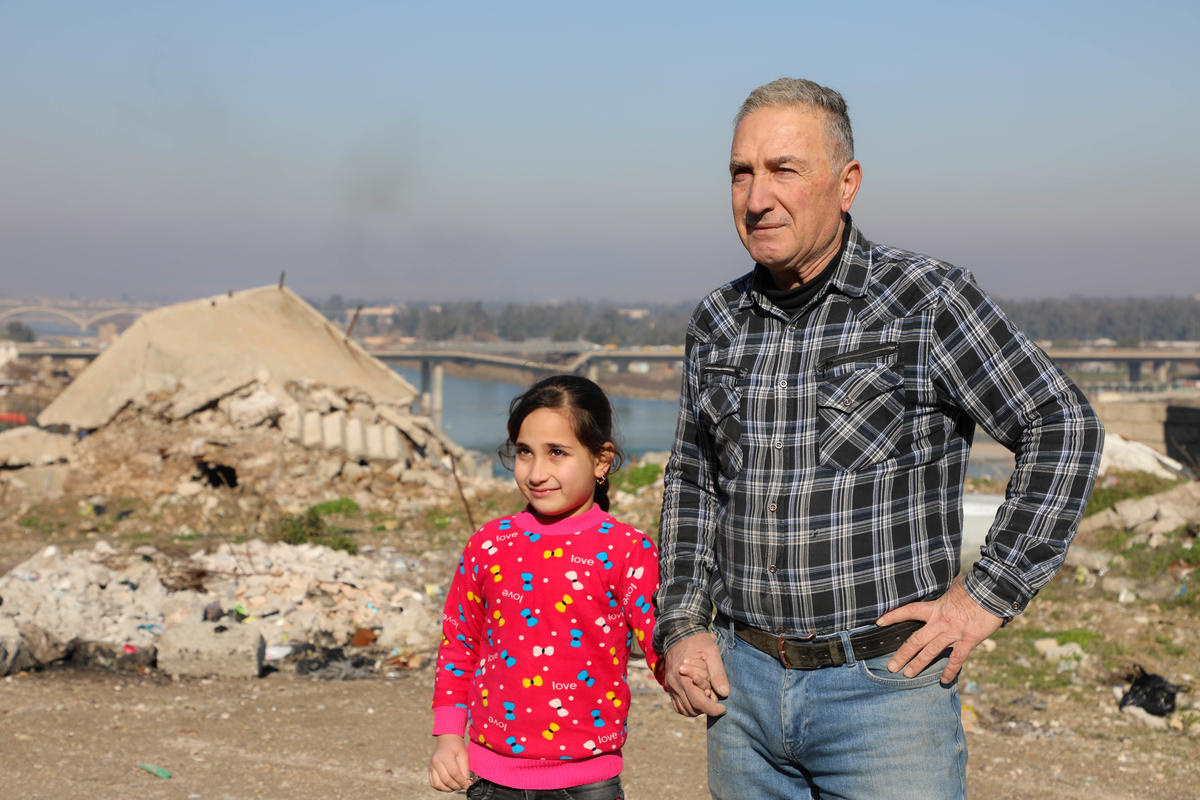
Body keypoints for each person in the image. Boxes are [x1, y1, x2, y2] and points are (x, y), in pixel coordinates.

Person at [654, 77, 1105, 799]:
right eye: (741, 173)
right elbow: (693, 480)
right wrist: (682, 623)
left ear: (847, 183)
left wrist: (985, 596)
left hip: (885, 696)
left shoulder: (925, 301)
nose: (757, 197)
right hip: (742, 696)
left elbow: (1061, 425)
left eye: (784, 170)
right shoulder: (718, 320)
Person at [429, 375, 666, 800]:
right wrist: (448, 737)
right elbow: (459, 643)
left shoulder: (627, 549)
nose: (536, 473)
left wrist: (693, 682)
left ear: (601, 460)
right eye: (525, 452)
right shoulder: (488, 544)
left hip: (588, 783)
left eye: (557, 452)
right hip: (489, 779)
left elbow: (660, 644)